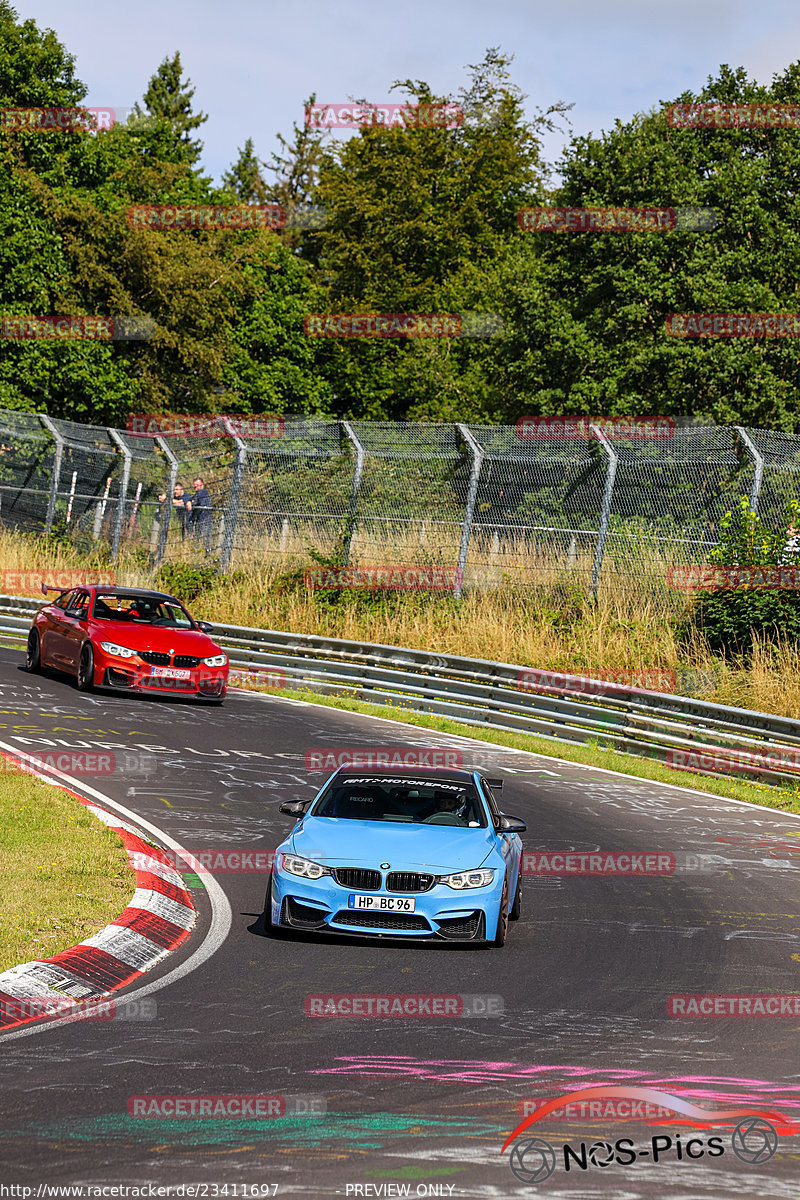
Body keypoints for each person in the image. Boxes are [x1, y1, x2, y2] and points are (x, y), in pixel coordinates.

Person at [190, 476, 212, 551]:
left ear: (202, 485)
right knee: (200, 539)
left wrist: (191, 503)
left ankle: (204, 552)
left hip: (205, 519)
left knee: (203, 540)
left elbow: (198, 503)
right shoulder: (197, 494)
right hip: (201, 519)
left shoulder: (202, 492)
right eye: (194, 484)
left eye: (197, 484)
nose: (195, 486)